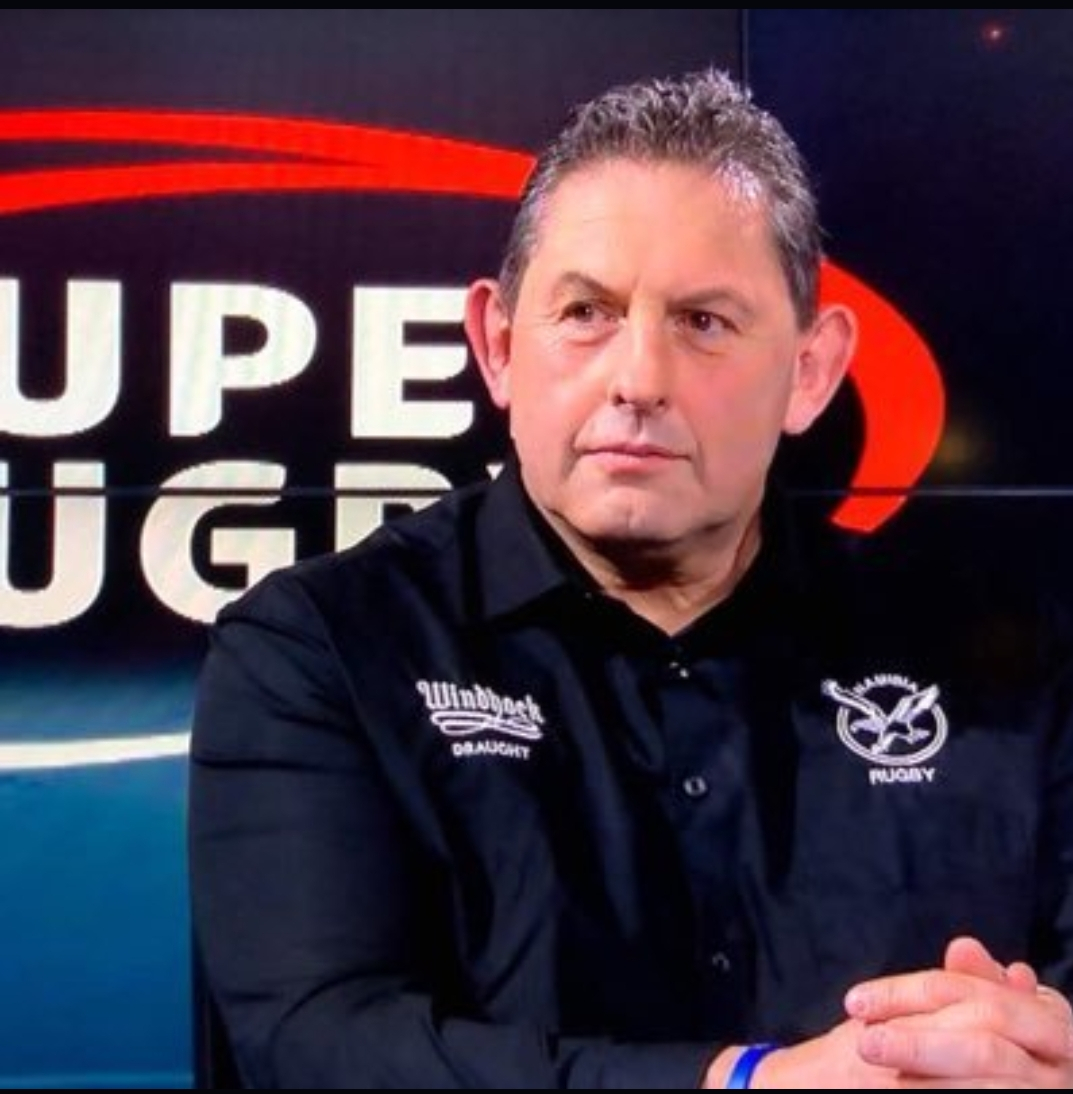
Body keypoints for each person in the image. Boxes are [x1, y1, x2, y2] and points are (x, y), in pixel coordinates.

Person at [188, 68, 1073, 1088]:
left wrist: (1038, 1051)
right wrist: (746, 1081)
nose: (638, 379)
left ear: (811, 372)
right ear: (498, 345)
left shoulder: (1005, 660)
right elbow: (319, 1043)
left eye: (703, 321)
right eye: (586, 312)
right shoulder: (323, 651)